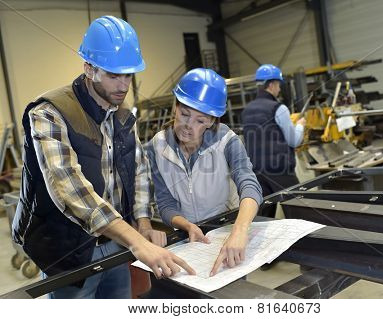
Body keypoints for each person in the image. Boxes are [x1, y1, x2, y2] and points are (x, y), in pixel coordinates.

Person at [12, 16, 194, 299]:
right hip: (68, 249)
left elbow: (139, 173)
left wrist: (143, 224)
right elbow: (69, 189)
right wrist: (137, 241)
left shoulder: (122, 116)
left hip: (116, 243)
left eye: (128, 75)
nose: (123, 86)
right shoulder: (49, 113)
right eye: (113, 75)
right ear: (89, 68)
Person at [146, 68, 263, 276]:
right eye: (184, 114)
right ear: (175, 106)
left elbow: (250, 185)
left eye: (200, 120)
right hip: (187, 239)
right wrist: (186, 225)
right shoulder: (157, 146)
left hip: (226, 233)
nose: (187, 126)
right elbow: (164, 203)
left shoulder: (227, 141)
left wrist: (239, 230)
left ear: (211, 121)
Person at [241, 64, 306, 219]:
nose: (279, 89)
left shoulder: (246, 110)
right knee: (299, 212)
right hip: (280, 171)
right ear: (271, 84)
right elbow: (294, 140)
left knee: (263, 218)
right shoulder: (278, 108)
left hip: (256, 172)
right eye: (278, 85)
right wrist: (300, 126)